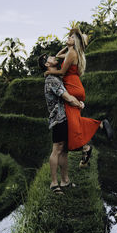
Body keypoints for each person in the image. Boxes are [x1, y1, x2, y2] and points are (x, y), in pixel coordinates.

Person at [44, 28, 113, 167]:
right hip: (75, 85)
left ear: (75, 41)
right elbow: (58, 55)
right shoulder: (72, 52)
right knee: (74, 121)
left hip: (72, 86)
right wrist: (70, 44)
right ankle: (87, 150)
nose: (67, 38)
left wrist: (48, 73)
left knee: (72, 124)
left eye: (70, 37)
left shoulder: (72, 53)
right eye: (68, 37)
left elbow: (62, 72)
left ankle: (90, 139)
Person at [38, 54, 83, 194]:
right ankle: (54, 183)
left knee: (64, 150)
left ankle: (65, 181)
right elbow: (67, 97)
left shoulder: (54, 77)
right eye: (50, 57)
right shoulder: (52, 80)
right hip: (58, 119)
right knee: (57, 149)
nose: (54, 57)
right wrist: (79, 104)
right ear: (46, 64)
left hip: (63, 118)